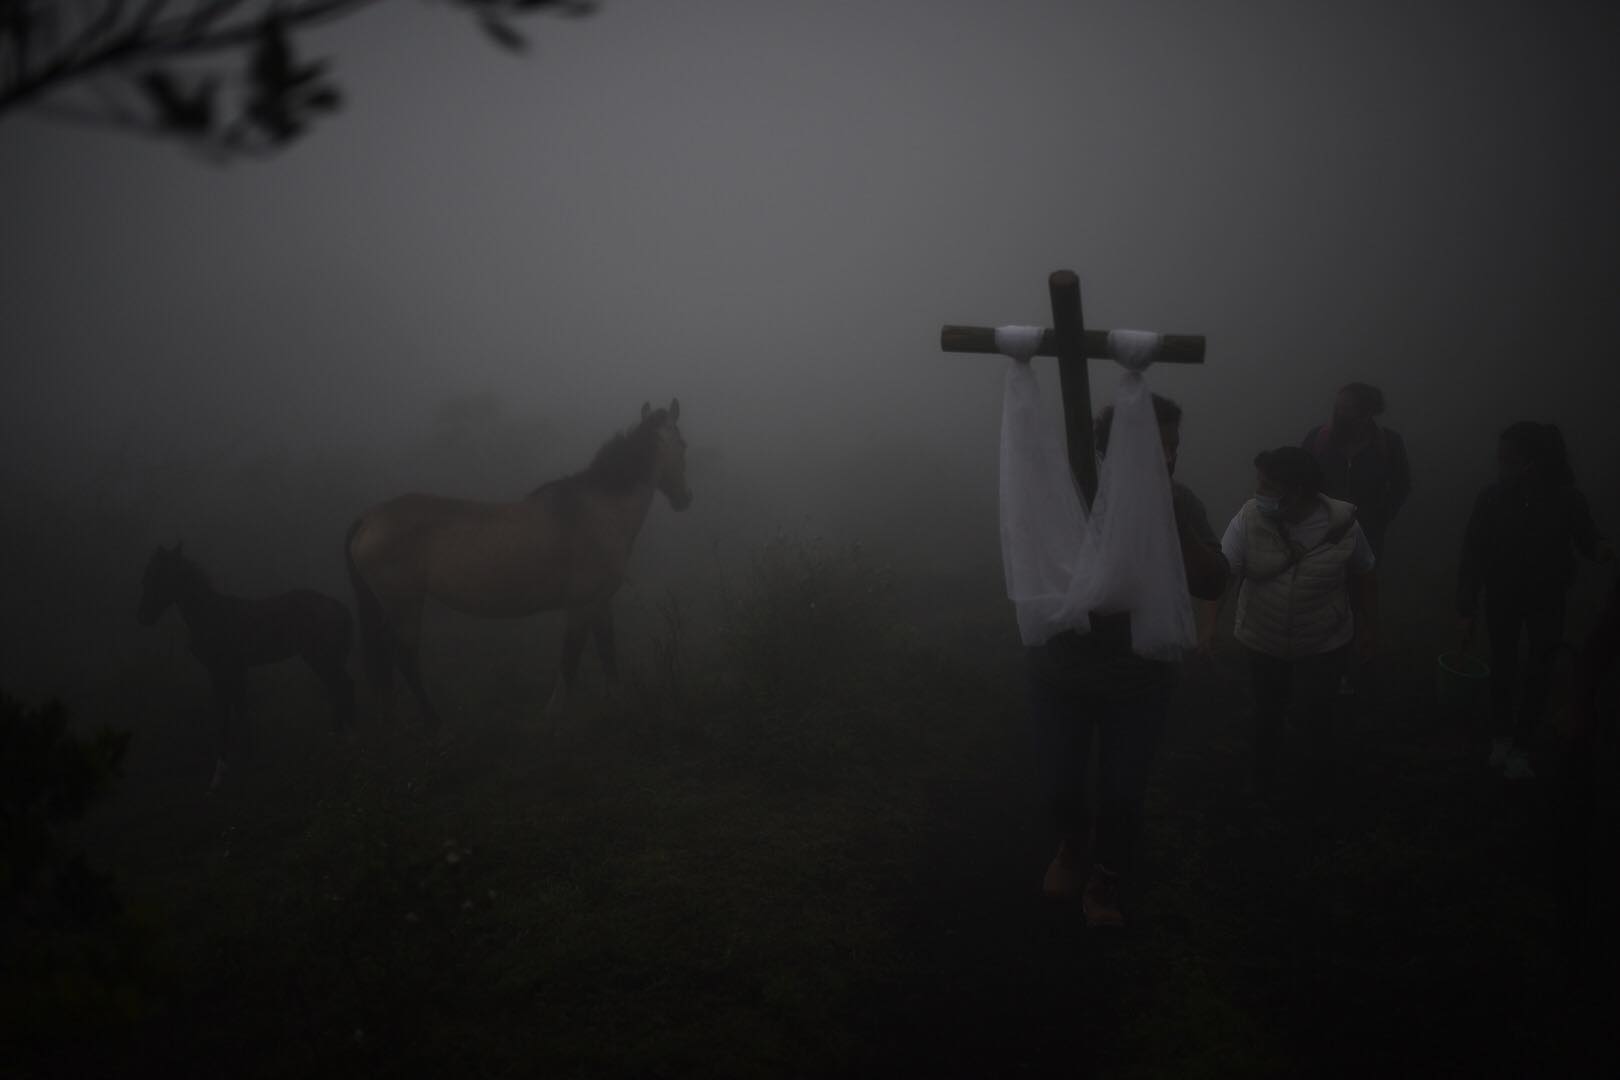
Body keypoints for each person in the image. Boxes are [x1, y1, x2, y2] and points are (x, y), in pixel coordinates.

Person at [1032, 393, 1228, 928]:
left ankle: (1106, 878)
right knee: (1060, 784)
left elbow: (1212, 579)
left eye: (1173, 446)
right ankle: (1073, 847)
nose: (1167, 457)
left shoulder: (1180, 503)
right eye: (1153, 446)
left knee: (1122, 791)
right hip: (1063, 674)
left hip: (1140, 679)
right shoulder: (1071, 500)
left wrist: (1166, 514)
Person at [1218, 447, 1378, 809]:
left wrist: (1369, 627)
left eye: (1268, 485)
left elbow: (1365, 570)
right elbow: (1226, 571)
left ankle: (1318, 783)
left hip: (1325, 638)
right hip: (1263, 635)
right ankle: (1262, 777)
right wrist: (1209, 625)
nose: (1259, 491)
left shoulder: (1343, 524)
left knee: (1318, 711)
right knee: (1266, 710)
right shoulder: (1249, 519)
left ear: (1299, 490)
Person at [1457, 422, 1613, 780]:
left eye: (1508, 458)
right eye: (1500, 458)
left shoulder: (1567, 499)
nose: (1501, 465)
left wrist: (1603, 549)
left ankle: (1523, 745)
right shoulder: (1492, 498)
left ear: (1533, 462)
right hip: (1502, 595)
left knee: (1540, 668)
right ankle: (1501, 736)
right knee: (1504, 664)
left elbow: (1586, 537)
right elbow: (1473, 553)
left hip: (1548, 596)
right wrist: (1466, 606)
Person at [1303, 382, 1410, 696]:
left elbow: (1402, 486)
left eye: (1348, 407)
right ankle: (1315, 663)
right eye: (1338, 406)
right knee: (1318, 594)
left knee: (1356, 600)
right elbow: (1297, 476)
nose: (1339, 412)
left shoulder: (1388, 444)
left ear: (1368, 412)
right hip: (1319, 536)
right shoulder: (1318, 439)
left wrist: (1379, 519)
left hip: (1367, 538)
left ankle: (1345, 668)